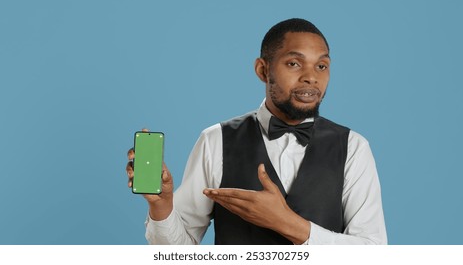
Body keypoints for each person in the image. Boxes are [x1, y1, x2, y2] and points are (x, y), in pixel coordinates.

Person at [126, 18, 387, 245]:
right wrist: (161, 206)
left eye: (321, 66)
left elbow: (372, 251)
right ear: (263, 70)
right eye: (295, 64)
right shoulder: (215, 141)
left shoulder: (353, 147)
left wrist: (289, 224)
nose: (311, 77)